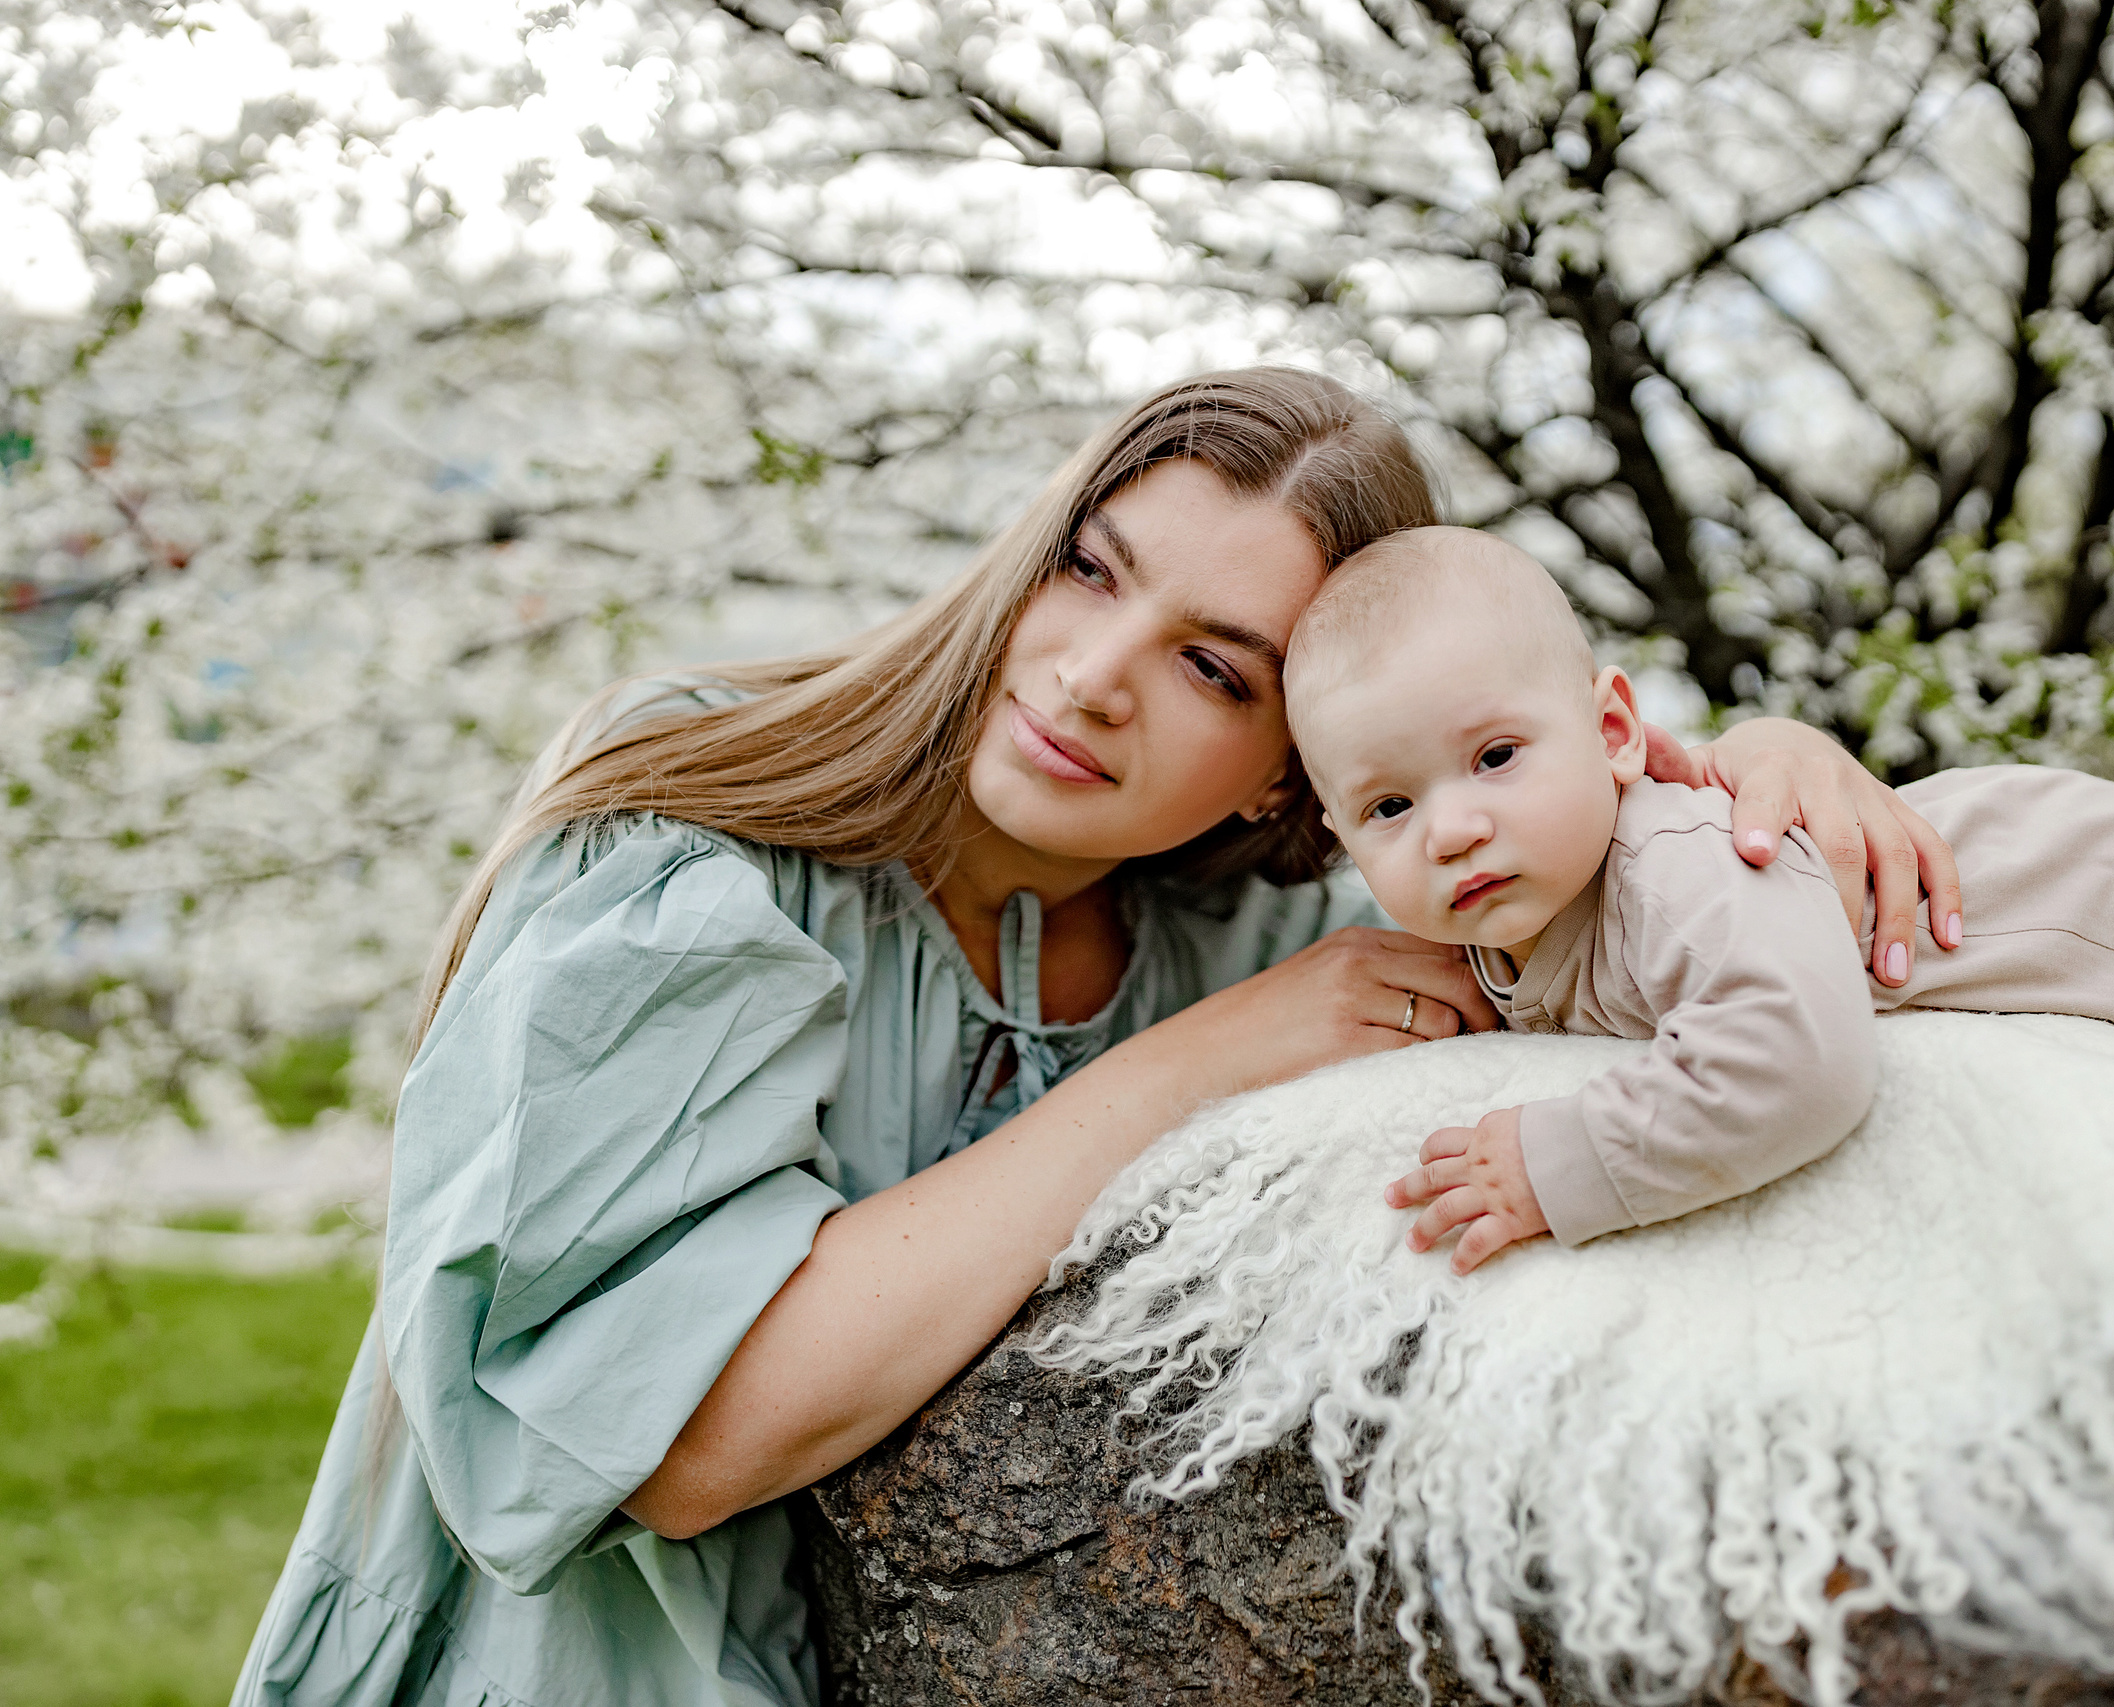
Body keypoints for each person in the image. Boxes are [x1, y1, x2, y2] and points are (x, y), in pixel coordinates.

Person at [230, 371, 1952, 1706]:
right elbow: (680, 1440)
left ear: (1304, 768)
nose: (1091, 675)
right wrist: (1192, 1065)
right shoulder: (699, 833)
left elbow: (1559, 835)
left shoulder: (1267, 924)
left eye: (1216, 667)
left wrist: (1754, 786)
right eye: (1090, 569)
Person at [1283, 527, 2114, 1275]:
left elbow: (1797, 1060)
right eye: (1390, 809)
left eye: (1496, 758)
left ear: (1615, 730)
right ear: (1343, 840)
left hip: (2064, 892)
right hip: (2033, 861)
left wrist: (1566, 1163)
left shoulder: (1676, 866)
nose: (1452, 825)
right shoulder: (1508, 927)